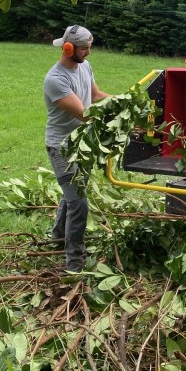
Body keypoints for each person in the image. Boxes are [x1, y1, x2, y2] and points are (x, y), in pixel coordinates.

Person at [43, 25, 109, 272]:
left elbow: (97, 95)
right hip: (61, 147)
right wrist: (116, 117)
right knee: (79, 203)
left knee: (72, 195)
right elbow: (84, 113)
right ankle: (74, 263)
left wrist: (124, 101)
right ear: (68, 48)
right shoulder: (55, 80)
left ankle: (58, 236)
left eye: (89, 47)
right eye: (84, 49)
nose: (89, 53)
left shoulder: (84, 67)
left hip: (83, 144)